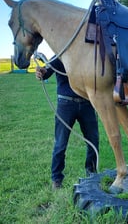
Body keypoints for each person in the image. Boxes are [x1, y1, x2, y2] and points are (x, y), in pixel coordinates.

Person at [35, 55, 99, 190]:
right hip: (65, 105)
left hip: (87, 104)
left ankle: (91, 172)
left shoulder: (85, 54)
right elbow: (46, 73)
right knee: (60, 144)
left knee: (93, 141)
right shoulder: (60, 54)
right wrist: (41, 72)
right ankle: (56, 178)